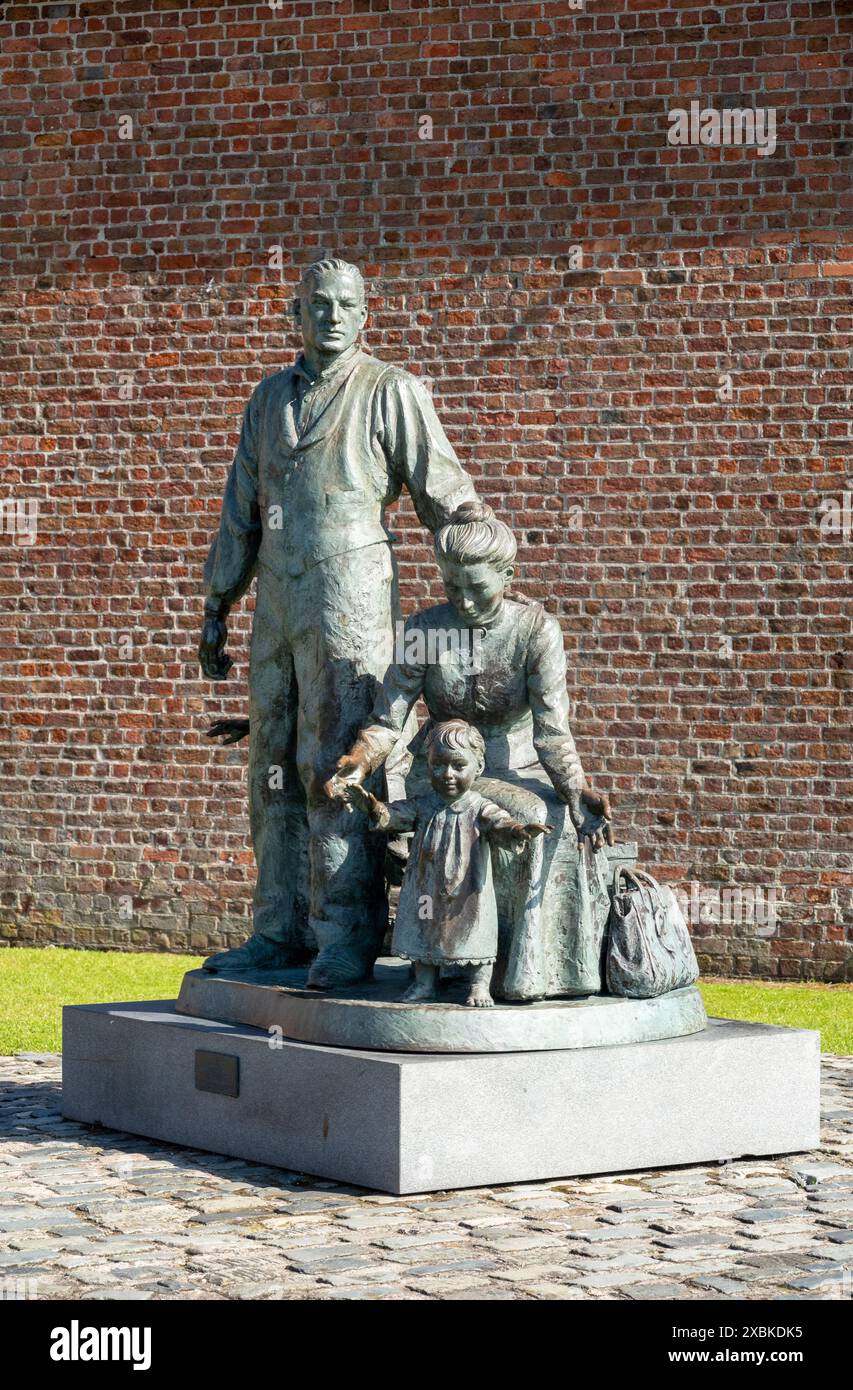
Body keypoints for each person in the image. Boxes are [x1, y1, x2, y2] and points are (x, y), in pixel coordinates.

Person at [199, 257, 478, 988]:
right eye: (315, 303)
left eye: (344, 305)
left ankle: (346, 935)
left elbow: (444, 492)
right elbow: (241, 509)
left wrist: (481, 582)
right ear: (296, 313)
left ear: (364, 315)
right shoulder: (267, 400)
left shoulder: (390, 391)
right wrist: (217, 602)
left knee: (335, 770)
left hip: (349, 598)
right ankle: (278, 931)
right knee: (270, 771)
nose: (329, 315)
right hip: (277, 607)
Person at [345, 721, 551, 1007]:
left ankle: (479, 985)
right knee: (424, 929)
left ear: (478, 767)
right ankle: (424, 984)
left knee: (476, 929)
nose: (447, 774)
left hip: (469, 888)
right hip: (426, 887)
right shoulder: (424, 804)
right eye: (438, 765)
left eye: (458, 765)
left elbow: (500, 822)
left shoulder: (478, 805)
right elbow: (394, 815)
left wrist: (518, 830)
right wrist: (372, 807)